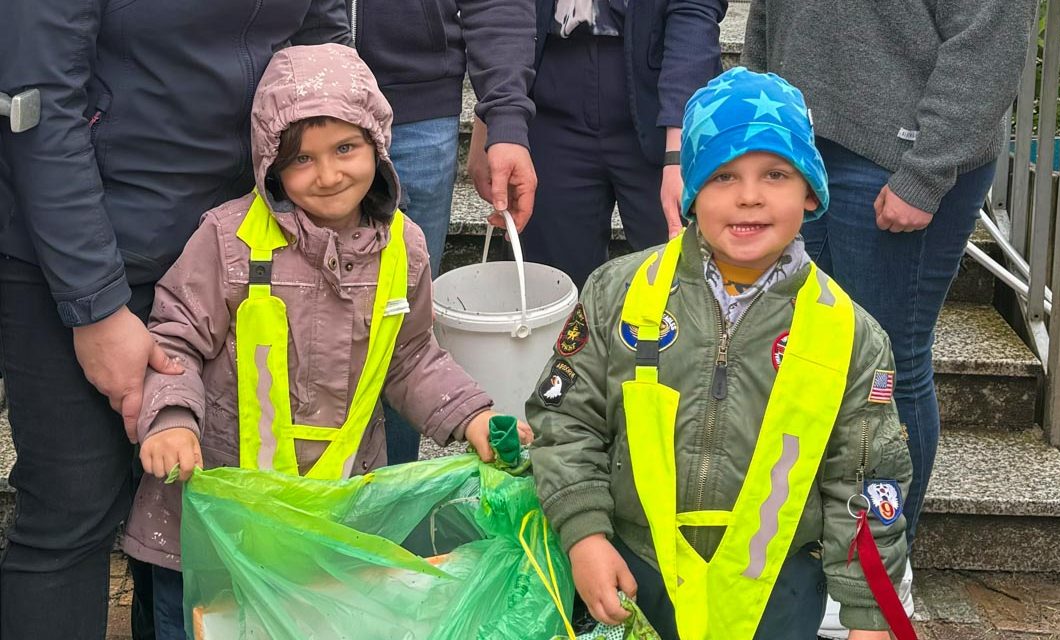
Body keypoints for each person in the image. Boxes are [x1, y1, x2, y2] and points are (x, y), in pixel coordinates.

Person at [120, 43, 531, 639]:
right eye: (303, 159)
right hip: (218, 523)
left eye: (346, 148)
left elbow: (412, 358)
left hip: (333, 519)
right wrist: (172, 418)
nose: (330, 174)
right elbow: (175, 338)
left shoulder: (404, 247)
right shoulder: (228, 240)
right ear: (270, 166)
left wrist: (472, 416)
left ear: (378, 146)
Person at [0, 2, 350, 638]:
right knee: (72, 513)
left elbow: (319, 43)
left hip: (235, 250)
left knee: (186, 516)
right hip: (80, 241)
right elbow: (38, 100)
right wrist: (97, 305)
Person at [527, 68, 912, 639]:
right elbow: (566, 421)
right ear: (691, 195)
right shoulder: (618, 293)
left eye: (776, 174)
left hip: (779, 597)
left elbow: (864, 481)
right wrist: (584, 534)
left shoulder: (851, 335)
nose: (749, 195)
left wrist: (870, 617)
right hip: (634, 574)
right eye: (723, 174)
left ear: (810, 192)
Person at [741, 0, 1037, 549]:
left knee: (886, 370)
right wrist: (763, 118)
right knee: (808, 358)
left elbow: (990, 34)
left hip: (895, 161)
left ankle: (880, 564)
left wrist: (925, 173)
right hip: (802, 146)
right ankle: (826, 550)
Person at [351, 0, 538, 465]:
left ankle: (395, 510)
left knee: (402, 328)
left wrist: (506, 120)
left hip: (414, 101)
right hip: (286, 99)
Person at [496, 0, 727, 289]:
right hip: (547, 95)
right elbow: (500, 13)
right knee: (554, 285)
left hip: (662, 99)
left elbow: (694, 11)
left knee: (682, 279)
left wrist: (679, 150)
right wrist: (496, 126)